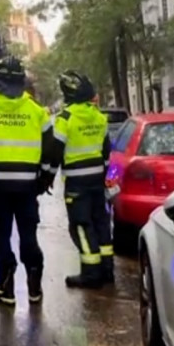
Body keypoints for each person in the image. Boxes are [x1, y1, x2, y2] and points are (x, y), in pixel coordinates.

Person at [0, 56, 54, 306]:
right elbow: (51, 150)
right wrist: (45, 179)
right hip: (28, 188)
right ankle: (34, 287)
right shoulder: (37, 112)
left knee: (0, 237)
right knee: (29, 235)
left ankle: (6, 288)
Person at [48, 71, 113, 289]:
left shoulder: (65, 118)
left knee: (81, 226)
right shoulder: (99, 116)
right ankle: (107, 269)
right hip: (97, 179)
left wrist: (46, 177)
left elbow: (55, 152)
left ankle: (90, 272)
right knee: (101, 223)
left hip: (76, 183)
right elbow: (106, 151)